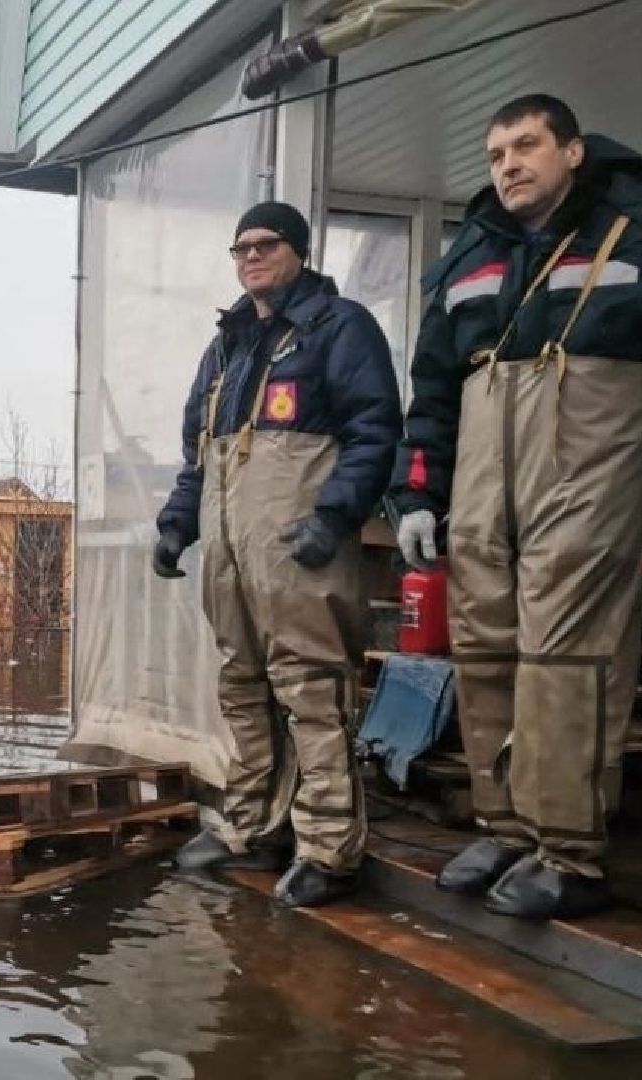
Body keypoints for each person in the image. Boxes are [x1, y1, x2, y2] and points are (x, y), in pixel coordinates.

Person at [387, 95, 642, 919]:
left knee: (566, 654)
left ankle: (569, 851)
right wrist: (416, 491)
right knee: (483, 648)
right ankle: (508, 829)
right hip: (484, 477)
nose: (509, 165)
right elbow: (433, 386)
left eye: (525, 146)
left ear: (573, 151)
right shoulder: (473, 254)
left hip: (583, 470)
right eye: (496, 154)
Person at [153, 201, 402, 908]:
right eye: (241, 249)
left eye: (266, 244)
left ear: (298, 250)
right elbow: (199, 454)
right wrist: (177, 524)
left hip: (299, 548)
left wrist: (334, 515)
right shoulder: (226, 348)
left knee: (312, 690)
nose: (252, 257)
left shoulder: (338, 327)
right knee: (243, 685)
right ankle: (254, 828)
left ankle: (328, 848)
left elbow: (375, 430)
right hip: (232, 551)